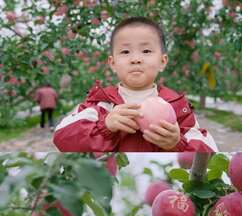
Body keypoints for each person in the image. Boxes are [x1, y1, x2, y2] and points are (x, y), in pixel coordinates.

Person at [53, 17, 217, 152]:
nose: (135, 59)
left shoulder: (177, 107)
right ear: (113, 63)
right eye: (125, 52)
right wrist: (105, 126)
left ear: (162, 61)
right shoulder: (101, 104)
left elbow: (209, 152)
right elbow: (62, 138)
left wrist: (178, 143)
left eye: (146, 51)